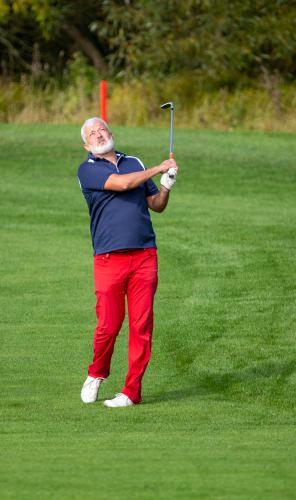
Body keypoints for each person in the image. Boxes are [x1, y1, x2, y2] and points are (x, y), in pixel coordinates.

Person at [76, 117, 178, 408]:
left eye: (102, 130)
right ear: (86, 145)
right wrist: (158, 168)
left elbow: (156, 205)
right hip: (108, 258)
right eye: (92, 134)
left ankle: (131, 392)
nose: (99, 135)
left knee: (141, 326)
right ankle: (97, 372)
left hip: (144, 255)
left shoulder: (134, 162)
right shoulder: (87, 169)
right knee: (109, 324)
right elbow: (121, 185)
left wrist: (166, 186)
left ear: (111, 134)